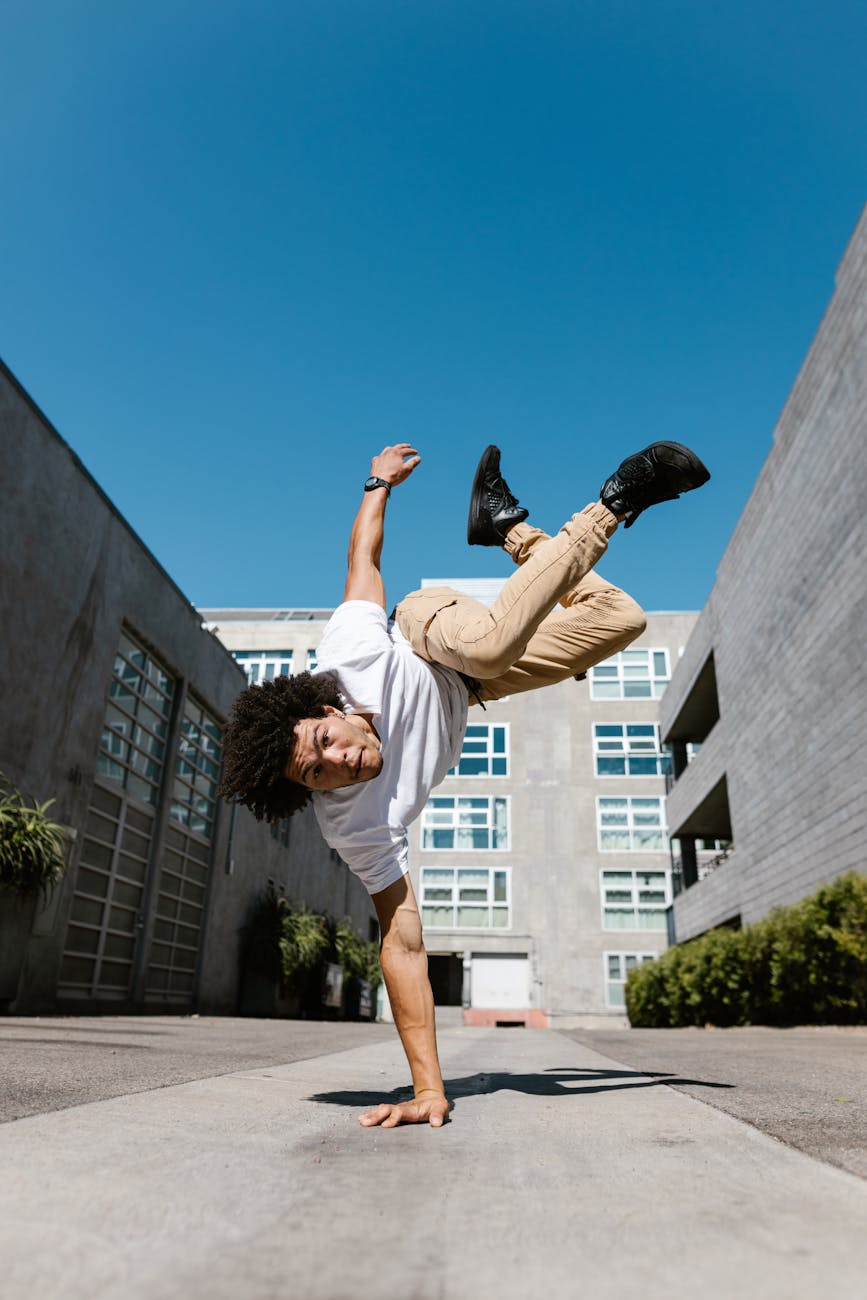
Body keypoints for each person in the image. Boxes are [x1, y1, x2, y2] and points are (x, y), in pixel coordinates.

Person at [219, 441, 710, 1128]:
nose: (336, 763)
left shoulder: (348, 655)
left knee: (484, 641)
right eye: (314, 773)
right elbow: (401, 942)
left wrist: (376, 483)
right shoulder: (353, 825)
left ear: (330, 711)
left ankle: (617, 497)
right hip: (475, 682)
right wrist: (427, 1088)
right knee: (616, 620)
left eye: (324, 742)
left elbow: (363, 562)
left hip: (430, 632)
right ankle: (505, 523)